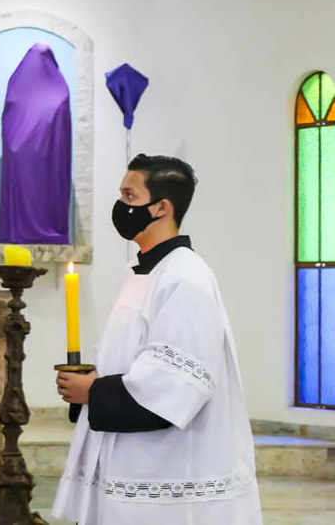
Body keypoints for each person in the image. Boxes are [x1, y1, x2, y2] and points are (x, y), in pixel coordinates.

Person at [52, 155, 262, 524]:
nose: (120, 207)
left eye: (129, 196)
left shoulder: (186, 277)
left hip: (169, 465)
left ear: (162, 207)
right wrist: (86, 384)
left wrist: (94, 392)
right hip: (128, 454)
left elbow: (175, 383)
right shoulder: (138, 273)